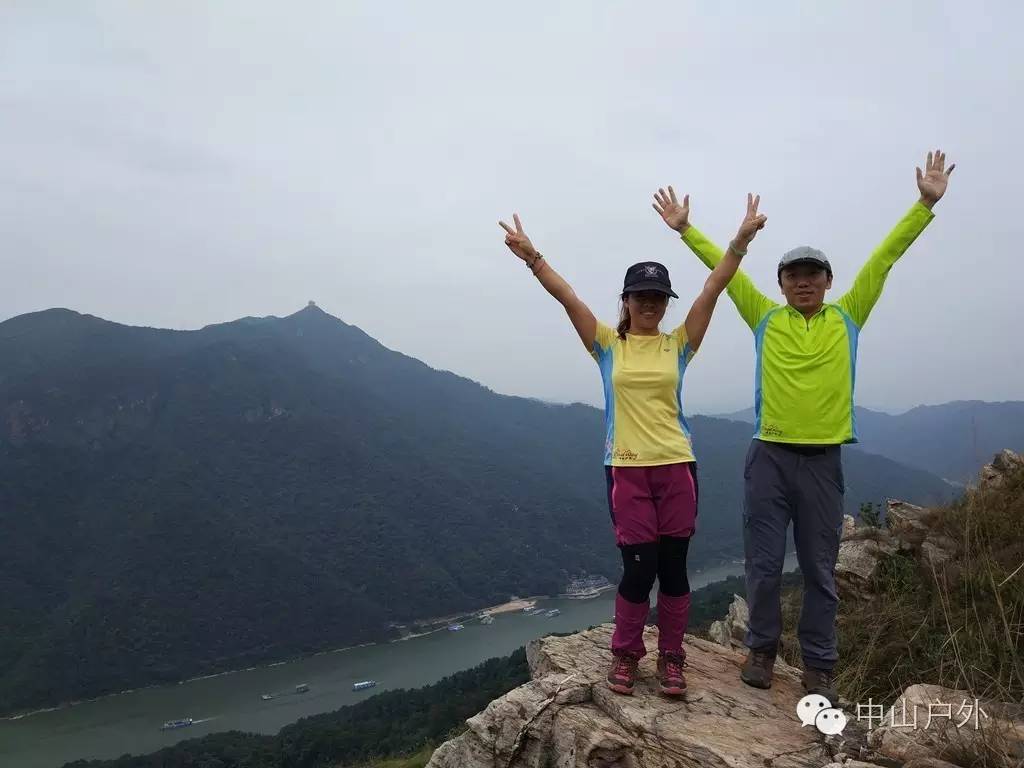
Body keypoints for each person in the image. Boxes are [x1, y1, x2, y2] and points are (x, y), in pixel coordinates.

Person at [652, 150, 956, 705]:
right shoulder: (764, 316)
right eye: (793, 276)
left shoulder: (849, 315)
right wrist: (686, 230)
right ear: (783, 284)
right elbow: (725, 272)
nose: (803, 283)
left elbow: (885, 259)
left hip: (822, 462)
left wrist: (923, 204)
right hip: (767, 457)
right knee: (764, 566)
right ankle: (761, 652)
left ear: (829, 281)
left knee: (819, 570)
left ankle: (819, 665)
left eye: (812, 275)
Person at [498, 193, 767, 697]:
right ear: (625, 300)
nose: (648, 303)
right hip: (625, 469)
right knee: (638, 569)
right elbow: (568, 297)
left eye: (657, 296)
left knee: (675, 570)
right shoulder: (607, 344)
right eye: (640, 295)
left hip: (677, 467)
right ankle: (625, 655)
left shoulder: (679, 343)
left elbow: (715, 285)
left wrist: (739, 242)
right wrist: (533, 257)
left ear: (666, 304)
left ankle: (671, 658)